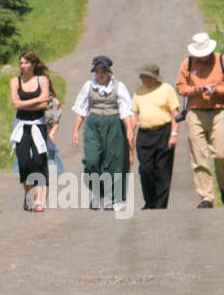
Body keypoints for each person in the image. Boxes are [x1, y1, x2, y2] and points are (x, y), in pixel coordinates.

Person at [175, 32, 224, 208]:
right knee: (199, 156)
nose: (202, 57)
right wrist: (195, 90)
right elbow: (180, 87)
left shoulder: (222, 60)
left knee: (221, 154)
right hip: (195, 113)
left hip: (219, 111)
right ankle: (206, 196)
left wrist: (217, 90)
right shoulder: (188, 63)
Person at [71, 55, 135, 210]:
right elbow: (81, 109)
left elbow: (126, 110)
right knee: (92, 160)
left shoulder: (119, 86)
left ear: (108, 72)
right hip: (94, 124)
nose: (100, 74)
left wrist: (129, 130)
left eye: (103, 71)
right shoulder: (89, 86)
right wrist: (75, 130)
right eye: (97, 71)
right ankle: (99, 193)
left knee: (115, 161)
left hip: (114, 123)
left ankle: (116, 199)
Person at [132, 63, 180, 208]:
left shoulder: (166, 89)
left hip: (163, 132)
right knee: (145, 169)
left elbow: (175, 114)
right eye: (142, 76)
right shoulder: (138, 91)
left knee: (162, 169)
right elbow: (135, 114)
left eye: (145, 76)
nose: (142, 79)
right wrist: (130, 132)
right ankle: (150, 200)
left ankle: (160, 204)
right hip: (144, 134)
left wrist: (174, 134)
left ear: (153, 77)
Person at [9, 51, 52, 212]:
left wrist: (26, 103)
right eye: (21, 63)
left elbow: (44, 105)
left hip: (38, 125)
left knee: (39, 162)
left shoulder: (42, 80)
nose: (23, 66)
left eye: (26, 63)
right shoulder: (15, 81)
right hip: (22, 126)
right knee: (24, 162)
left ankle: (40, 200)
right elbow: (16, 104)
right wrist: (37, 99)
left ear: (33, 64)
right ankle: (28, 196)